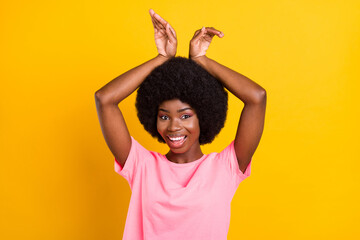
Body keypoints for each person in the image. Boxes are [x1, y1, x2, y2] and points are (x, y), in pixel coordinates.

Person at [95, 8, 266, 240]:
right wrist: (162, 59)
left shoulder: (225, 167)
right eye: (164, 116)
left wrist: (201, 60)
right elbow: (105, 99)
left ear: (203, 116)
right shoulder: (142, 166)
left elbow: (256, 98)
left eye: (185, 116)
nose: (174, 126)